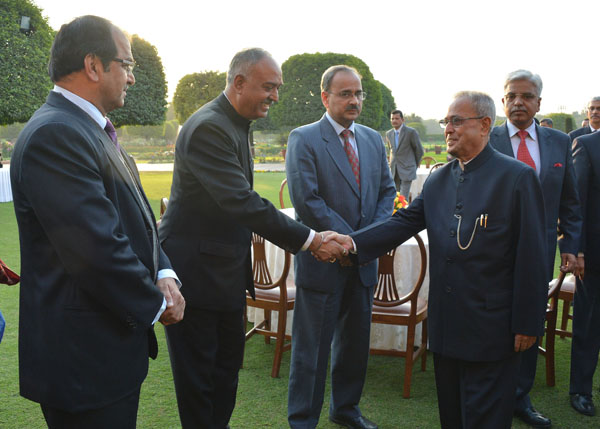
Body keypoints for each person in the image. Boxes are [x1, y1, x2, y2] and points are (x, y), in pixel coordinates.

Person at [326, 91, 548, 428]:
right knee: (452, 416)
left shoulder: (516, 178)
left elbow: (533, 256)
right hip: (447, 327)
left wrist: (528, 323)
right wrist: (352, 244)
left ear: (485, 124)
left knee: (486, 418)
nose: (448, 129)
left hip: (493, 328)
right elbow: (402, 222)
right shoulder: (440, 178)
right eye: (446, 122)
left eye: (457, 121)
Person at [10, 15, 185, 428]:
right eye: (126, 64)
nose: (132, 78)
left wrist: (163, 270)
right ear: (93, 66)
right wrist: (158, 304)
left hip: (104, 354)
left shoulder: (91, 129)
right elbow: (96, 248)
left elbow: (139, 218)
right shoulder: (56, 134)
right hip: (82, 364)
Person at [157, 48, 343, 429]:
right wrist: (310, 240)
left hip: (221, 276)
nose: (275, 95)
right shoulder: (209, 125)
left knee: (224, 375)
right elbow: (242, 202)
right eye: (269, 87)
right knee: (201, 383)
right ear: (239, 83)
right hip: (197, 278)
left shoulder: (234, 123)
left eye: (277, 87)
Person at [286, 65, 396, 429]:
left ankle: (345, 410)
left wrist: (360, 246)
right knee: (311, 351)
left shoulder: (371, 139)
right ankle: (303, 420)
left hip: (361, 263)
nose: (355, 100)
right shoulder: (304, 138)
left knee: (353, 347)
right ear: (325, 97)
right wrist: (352, 243)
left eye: (359, 93)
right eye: (346, 94)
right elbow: (308, 202)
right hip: (324, 262)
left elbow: (387, 193)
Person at [489, 69, 581, 428]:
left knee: (530, 318)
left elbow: (570, 201)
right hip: (490, 250)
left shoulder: (559, 142)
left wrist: (570, 244)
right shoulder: (487, 137)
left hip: (540, 252)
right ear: (503, 102)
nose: (518, 103)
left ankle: (520, 397)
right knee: (494, 319)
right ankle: (492, 390)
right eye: (512, 96)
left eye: (526, 96)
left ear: (538, 102)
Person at [569, 131, 600, 417]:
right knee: (589, 326)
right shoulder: (588, 145)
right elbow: (575, 203)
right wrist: (577, 251)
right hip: (594, 256)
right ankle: (580, 390)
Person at [384, 109, 424, 199]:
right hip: (394, 169)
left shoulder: (411, 132)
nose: (394, 120)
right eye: (392, 118)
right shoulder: (389, 134)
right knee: (395, 196)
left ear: (402, 120)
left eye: (397, 118)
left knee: (403, 196)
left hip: (407, 169)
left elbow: (419, 150)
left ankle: (402, 212)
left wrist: (414, 164)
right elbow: (391, 150)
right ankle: (397, 212)